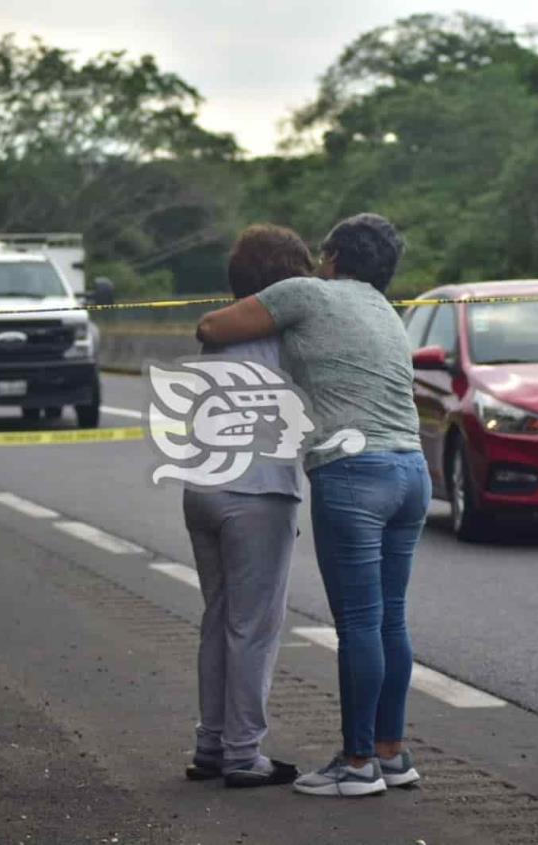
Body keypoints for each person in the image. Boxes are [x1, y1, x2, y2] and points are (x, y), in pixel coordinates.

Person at [197, 213, 430, 798]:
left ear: (330, 257)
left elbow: (212, 325)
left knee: (358, 624)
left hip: (354, 472)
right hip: (412, 469)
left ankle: (355, 765)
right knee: (392, 617)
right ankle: (391, 752)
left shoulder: (307, 293)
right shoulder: (385, 310)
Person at [183, 225, 313, 789]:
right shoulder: (290, 337)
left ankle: (211, 744)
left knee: (218, 619)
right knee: (254, 629)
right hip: (258, 493)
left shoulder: (220, 335)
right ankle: (243, 753)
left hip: (204, 490)